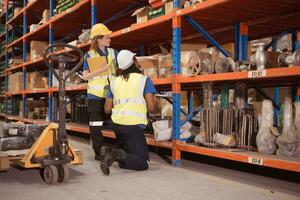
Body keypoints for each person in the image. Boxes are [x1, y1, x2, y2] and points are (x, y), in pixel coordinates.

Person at [100, 50, 159, 175]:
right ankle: (115, 154)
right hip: (133, 127)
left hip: (116, 125)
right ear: (133, 62)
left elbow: (107, 109)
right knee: (143, 163)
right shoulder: (143, 80)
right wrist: (158, 106)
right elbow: (151, 108)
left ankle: (110, 151)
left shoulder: (114, 82)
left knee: (127, 159)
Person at [82, 23, 118, 161]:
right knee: (96, 127)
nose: (110, 40)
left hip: (111, 96)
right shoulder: (90, 55)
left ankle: (117, 151)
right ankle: (99, 153)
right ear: (98, 39)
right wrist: (100, 71)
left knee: (117, 124)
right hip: (95, 97)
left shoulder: (114, 53)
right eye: (107, 38)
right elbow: (85, 76)